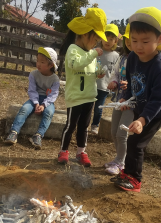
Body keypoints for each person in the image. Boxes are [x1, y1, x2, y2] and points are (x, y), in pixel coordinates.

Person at [112, 7, 161, 192]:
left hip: (156, 111)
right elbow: (130, 83)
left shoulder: (159, 68)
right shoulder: (132, 58)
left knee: (136, 143)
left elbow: (158, 99)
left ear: (160, 39)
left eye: (145, 41)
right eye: (134, 40)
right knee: (132, 140)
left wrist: (142, 119)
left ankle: (135, 180)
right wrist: (126, 100)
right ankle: (127, 173)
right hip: (141, 105)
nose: (138, 46)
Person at [57, 8, 107, 167]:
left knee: (84, 127)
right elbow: (75, 65)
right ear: (85, 33)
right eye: (95, 39)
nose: (96, 43)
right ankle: (63, 151)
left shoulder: (90, 53)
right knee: (70, 125)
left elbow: (90, 69)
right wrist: (92, 54)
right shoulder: (73, 50)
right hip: (76, 97)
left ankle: (81, 152)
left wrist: (98, 73)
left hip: (89, 96)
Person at [4, 47, 60, 149]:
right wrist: (36, 103)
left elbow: (53, 95)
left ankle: (38, 135)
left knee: (49, 113)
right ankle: (14, 132)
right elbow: (32, 90)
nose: (38, 64)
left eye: (42, 62)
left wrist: (44, 105)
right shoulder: (33, 74)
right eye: (37, 60)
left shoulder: (55, 79)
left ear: (51, 65)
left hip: (47, 101)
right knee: (24, 109)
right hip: (35, 98)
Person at [104, 31, 134, 175]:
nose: (129, 42)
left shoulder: (140, 60)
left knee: (122, 133)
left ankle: (121, 163)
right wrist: (114, 82)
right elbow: (115, 73)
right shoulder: (122, 57)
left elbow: (142, 81)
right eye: (127, 39)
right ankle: (118, 158)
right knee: (114, 131)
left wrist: (130, 86)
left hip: (131, 103)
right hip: (118, 99)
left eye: (132, 39)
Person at [91, 24, 120, 134]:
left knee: (98, 108)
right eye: (106, 38)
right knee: (87, 107)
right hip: (91, 84)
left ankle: (95, 125)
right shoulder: (96, 51)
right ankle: (83, 124)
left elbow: (116, 72)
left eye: (111, 39)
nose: (108, 41)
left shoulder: (116, 56)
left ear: (115, 41)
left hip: (103, 87)